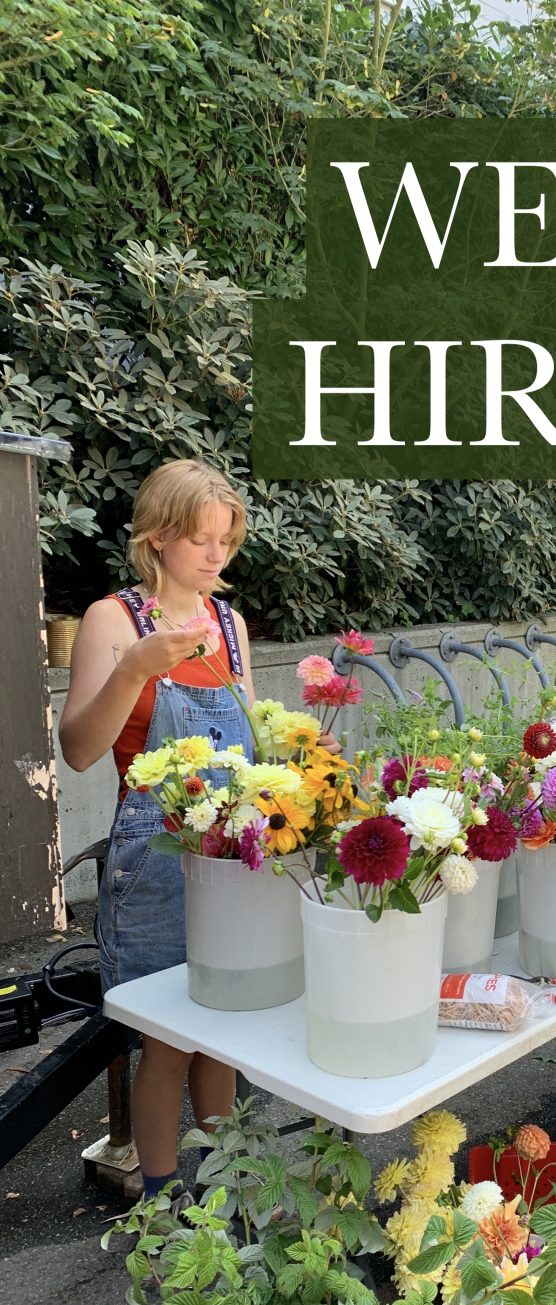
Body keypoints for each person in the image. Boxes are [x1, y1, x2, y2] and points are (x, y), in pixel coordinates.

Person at [59, 460, 255, 1206]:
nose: (214, 556)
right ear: (159, 538)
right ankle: (163, 1206)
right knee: (167, 1041)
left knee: (223, 1035)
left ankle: (227, 1194)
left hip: (230, 859)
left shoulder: (229, 628)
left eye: (225, 542)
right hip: (152, 859)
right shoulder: (117, 621)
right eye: (200, 539)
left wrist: (300, 756)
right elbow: (79, 749)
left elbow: (249, 750)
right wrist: (136, 668)